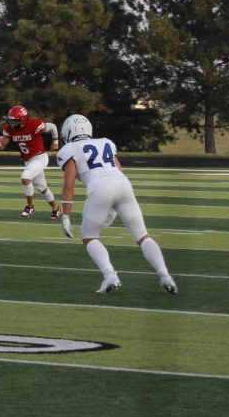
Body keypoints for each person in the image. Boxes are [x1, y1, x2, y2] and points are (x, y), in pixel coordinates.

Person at [56, 114, 177, 295]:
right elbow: (118, 169)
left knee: (89, 236)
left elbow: (69, 185)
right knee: (142, 235)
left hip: (99, 187)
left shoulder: (69, 149)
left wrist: (65, 216)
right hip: (123, 184)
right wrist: (114, 205)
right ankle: (165, 276)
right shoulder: (105, 142)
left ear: (67, 132)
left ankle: (110, 275)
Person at [0, 104, 61, 219]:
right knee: (42, 187)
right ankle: (56, 208)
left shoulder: (34, 124)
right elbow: (2, 147)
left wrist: (55, 141)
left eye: (15, 121)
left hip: (40, 157)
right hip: (28, 161)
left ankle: (30, 206)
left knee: (25, 177)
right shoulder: (8, 128)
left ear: (23, 120)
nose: (12, 124)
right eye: (10, 121)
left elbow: (52, 127)